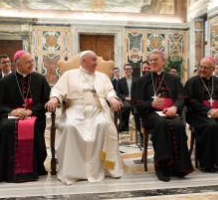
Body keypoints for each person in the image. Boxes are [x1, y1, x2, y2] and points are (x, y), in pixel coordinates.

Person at [45, 50, 124, 185]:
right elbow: (58, 90)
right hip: (75, 111)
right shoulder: (69, 75)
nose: (96, 63)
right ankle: (73, 170)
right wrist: (54, 98)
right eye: (93, 60)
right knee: (70, 127)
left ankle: (100, 169)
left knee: (104, 125)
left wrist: (112, 99)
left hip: (97, 111)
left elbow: (109, 91)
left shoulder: (102, 77)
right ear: (84, 61)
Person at [0, 50, 50, 185]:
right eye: (28, 62)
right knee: (4, 126)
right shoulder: (6, 81)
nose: (32, 64)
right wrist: (11, 112)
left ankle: (35, 166)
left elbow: (46, 102)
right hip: (12, 116)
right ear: (18, 65)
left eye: (32, 61)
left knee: (33, 125)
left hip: (34, 115)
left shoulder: (40, 79)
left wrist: (31, 111)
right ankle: (8, 168)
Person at [133, 50, 193, 182]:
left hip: (170, 112)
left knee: (178, 124)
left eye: (156, 59)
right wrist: (152, 104)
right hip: (150, 115)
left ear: (163, 62)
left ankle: (178, 167)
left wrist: (175, 107)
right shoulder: (143, 81)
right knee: (161, 124)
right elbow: (138, 105)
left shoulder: (173, 79)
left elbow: (181, 98)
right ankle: (162, 167)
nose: (153, 62)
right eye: (151, 60)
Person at [131, 61, 151, 144]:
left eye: (148, 68)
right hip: (139, 105)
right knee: (136, 113)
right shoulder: (136, 82)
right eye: (145, 68)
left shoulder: (155, 81)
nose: (146, 70)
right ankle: (142, 135)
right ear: (141, 69)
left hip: (151, 105)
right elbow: (133, 97)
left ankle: (154, 134)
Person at [117, 64, 135, 131]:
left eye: (129, 69)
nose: (128, 70)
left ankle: (140, 125)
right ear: (124, 70)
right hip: (125, 100)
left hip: (134, 99)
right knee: (127, 106)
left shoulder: (136, 80)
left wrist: (133, 98)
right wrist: (126, 98)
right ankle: (125, 125)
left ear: (132, 70)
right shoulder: (120, 81)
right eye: (126, 69)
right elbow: (118, 93)